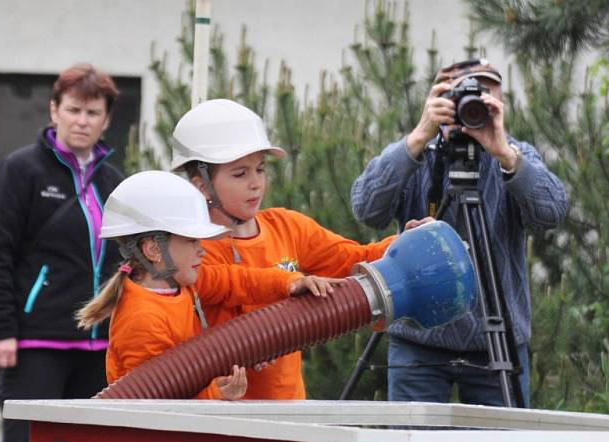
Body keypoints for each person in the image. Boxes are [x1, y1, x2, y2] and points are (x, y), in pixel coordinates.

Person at [170, 99, 431, 400]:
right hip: (227, 417)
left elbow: (353, 259)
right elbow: (219, 320)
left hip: (290, 408)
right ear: (202, 186)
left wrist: (400, 243)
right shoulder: (195, 253)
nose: (256, 184)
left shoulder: (287, 226)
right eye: (240, 174)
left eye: (260, 169)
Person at [350, 58, 568, 407]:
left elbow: (553, 212)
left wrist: (505, 155)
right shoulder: (418, 154)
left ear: (500, 101)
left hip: (496, 342)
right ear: (440, 99)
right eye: (464, 91)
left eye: (485, 89)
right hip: (418, 340)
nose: (476, 99)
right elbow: (366, 208)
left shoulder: (516, 155)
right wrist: (419, 136)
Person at [0, 63, 125, 442]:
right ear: (53, 110)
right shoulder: (18, 171)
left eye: (93, 113)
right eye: (74, 109)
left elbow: (124, 259)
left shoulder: (112, 181)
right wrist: (0, 330)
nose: (82, 120)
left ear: (106, 120)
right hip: (35, 343)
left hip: (98, 348)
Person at [76, 170, 338, 399]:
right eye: (192, 241)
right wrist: (215, 393)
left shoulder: (185, 284)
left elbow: (240, 280)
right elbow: (155, 399)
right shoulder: (142, 318)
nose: (202, 251)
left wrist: (291, 282)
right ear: (154, 249)